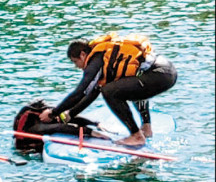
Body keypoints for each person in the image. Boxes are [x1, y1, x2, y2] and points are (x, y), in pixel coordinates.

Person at [39, 32, 177, 147]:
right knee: (127, 88)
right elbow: (93, 92)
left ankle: (136, 135)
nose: (77, 66)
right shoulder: (104, 57)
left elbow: (80, 92)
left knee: (110, 91)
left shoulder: (95, 62)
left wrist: (53, 112)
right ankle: (146, 128)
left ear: (82, 54)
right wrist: (71, 114)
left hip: (159, 74)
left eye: (75, 62)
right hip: (167, 72)